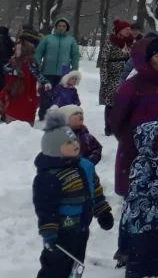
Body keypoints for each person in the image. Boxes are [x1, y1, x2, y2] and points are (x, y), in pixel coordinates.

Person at [107, 32, 158, 268]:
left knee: (157, 200)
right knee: (134, 202)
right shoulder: (132, 85)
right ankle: (126, 250)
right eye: (157, 56)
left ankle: (150, 256)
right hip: (134, 151)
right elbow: (116, 119)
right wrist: (134, 141)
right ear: (146, 58)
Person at [34, 110, 114, 278]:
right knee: (55, 268)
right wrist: (49, 234)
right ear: (55, 149)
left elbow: (95, 190)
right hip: (61, 233)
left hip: (81, 228)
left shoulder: (85, 166)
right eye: (68, 142)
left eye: (74, 139)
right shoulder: (49, 176)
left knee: (75, 266)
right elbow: (45, 207)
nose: (75, 144)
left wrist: (103, 211)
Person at [121, 121, 158, 278]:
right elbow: (137, 189)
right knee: (141, 251)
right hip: (143, 218)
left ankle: (154, 272)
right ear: (148, 140)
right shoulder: (142, 162)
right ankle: (136, 274)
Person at [98, 20, 136, 135]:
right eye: (126, 29)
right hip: (112, 77)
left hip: (127, 75)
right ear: (120, 30)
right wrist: (104, 78)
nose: (129, 31)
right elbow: (104, 60)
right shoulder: (110, 42)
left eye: (130, 29)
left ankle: (121, 125)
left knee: (124, 102)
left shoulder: (130, 43)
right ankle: (108, 127)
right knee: (111, 103)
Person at [0, 31, 42, 124]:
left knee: (20, 112)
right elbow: (5, 70)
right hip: (14, 92)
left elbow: (35, 77)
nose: (14, 49)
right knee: (12, 109)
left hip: (25, 94)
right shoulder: (14, 60)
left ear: (25, 51)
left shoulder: (30, 63)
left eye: (18, 49)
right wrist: (12, 72)